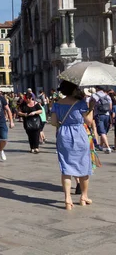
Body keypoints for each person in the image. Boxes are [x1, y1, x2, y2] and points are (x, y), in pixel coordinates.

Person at [50, 80, 94, 210]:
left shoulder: (57, 104)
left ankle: (68, 199)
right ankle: (83, 197)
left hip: (64, 134)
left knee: (66, 167)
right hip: (79, 133)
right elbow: (89, 121)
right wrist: (91, 108)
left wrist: (62, 124)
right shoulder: (80, 103)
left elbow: (53, 122)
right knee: (84, 166)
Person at [91, 86, 112, 154]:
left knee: (102, 132)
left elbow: (91, 105)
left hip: (99, 115)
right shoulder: (107, 96)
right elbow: (110, 107)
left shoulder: (94, 95)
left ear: (97, 89)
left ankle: (108, 147)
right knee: (104, 131)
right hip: (107, 115)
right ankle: (100, 145)